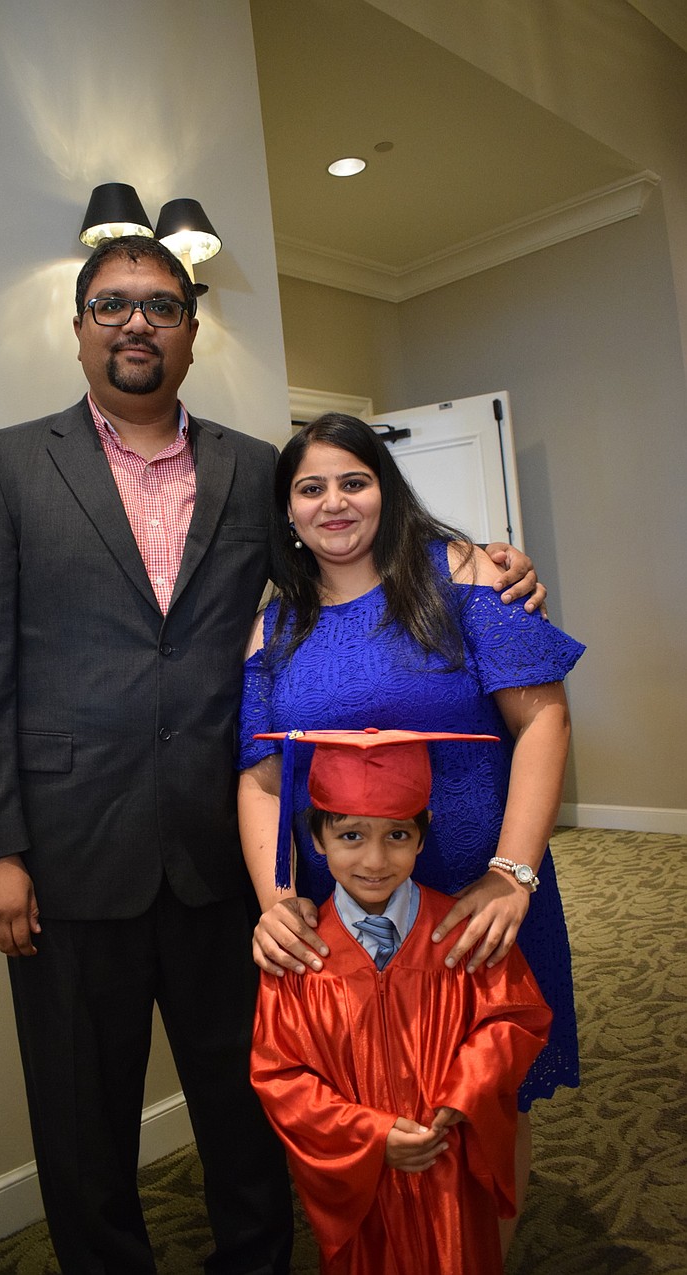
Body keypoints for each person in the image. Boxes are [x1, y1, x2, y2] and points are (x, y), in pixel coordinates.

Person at [0, 236, 544, 1274]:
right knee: (83, 1117)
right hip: (70, 853)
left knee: (248, 1095)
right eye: (113, 304)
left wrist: (476, 556)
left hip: (237, 858)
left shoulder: (248, 467)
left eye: (161, 306)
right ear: (79, 324)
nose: (137, 323)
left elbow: (342, 559)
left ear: (190, 328)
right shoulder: (6, 464)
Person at [237, 412, 585, 1254]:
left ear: (384, 491)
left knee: (486, 1095)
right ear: (288, 511)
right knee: (373, 1100)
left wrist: (512, 873)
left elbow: (543, 720)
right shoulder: (273, 627)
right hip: (351, 915)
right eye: (310, 487)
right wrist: (278, 900)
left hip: (483, 903)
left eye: (353, 480)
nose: (334, 503)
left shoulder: (464, 575)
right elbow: (259, 776)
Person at [250, 727, 553, 1275]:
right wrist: (369, 1137)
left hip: (449, 1158)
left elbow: (515, 1018)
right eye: (349, 836)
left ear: (422, 834)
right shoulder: (302, 956)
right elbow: (280, 1075)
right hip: (363, 1173)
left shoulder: (464, 933)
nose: (374, 859)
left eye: (396, 835)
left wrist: (466, 1093)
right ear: (315, 839)